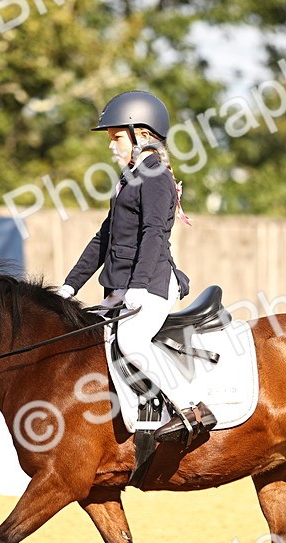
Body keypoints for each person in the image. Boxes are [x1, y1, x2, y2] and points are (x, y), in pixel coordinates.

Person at [55, 90, 215, 442]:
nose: (110, 146)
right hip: (124, 285)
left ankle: (192, 408)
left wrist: (140, 285)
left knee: (131, 338)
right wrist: (70, 285)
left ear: (141, 135)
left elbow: (154, 233)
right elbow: (104, 237)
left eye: (116, 138)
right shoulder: (129, 179)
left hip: (153, 282)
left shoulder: (155, 176)